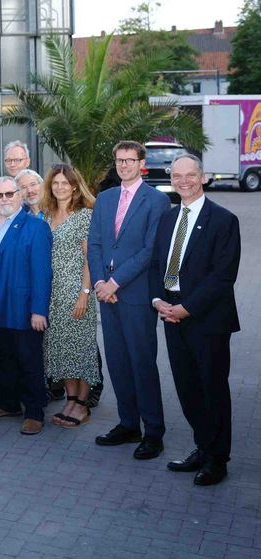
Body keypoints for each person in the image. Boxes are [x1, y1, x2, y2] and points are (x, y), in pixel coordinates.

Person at [150, 155, 241, 486]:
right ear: (171, 179)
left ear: (203, 178)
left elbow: (222, 276)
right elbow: (157, 263)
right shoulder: (167, 217)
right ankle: (202, 447)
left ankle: (218, 459)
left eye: (190, 175)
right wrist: (158, 300)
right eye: (177, 175)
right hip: (171, 315)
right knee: (187, 388)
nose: (184, 181)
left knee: (212, 388)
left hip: (206, 319)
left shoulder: (223, 220)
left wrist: (187, 307)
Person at [88, 140, 170, 459]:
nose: (124, 165)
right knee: (118, 362)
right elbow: (94, 243)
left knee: (141, 362)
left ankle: (153, 431)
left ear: (141, 163)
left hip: (134, 294)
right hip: (106, 296)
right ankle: (128, 424)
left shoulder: (155, 201)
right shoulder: (105, 199)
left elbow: (150, 251)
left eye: (130, 160)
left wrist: (115, 282)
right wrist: (98, 281)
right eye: (120, 161)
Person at [0, 177, 52, 435]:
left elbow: (42, 272)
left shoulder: (35, 227)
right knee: (0, 357)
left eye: (9, 194)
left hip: (22, 305)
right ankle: (8, 402)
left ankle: (34, 412)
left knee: (28, 359)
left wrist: (39, 310)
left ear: (20, 194)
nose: (4, 199)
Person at [39, 165, 99, 429]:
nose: (60, 187)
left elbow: (90, 258)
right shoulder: (46, 215)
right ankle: (71, 399)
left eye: (65, 183)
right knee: (62, 348)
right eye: (55, 183)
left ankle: (83, 405)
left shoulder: (85, 216)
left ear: (75, 186)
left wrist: (84, 294)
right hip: (51, 293)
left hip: (76, 290)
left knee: (81, 348)